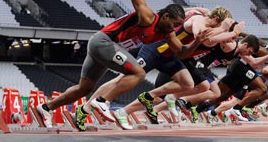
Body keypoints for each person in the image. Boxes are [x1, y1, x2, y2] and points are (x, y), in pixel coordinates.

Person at [36, 0, 188, 130]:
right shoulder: (148, 17)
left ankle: (46, 108)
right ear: (166, 16)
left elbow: (182, 51)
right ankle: (102, 101)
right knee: (138, 73)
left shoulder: (167, 34)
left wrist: (198, 41)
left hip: (104, 48)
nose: (175, 28)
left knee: (84, 88)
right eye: (175, 24)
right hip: (104, 42)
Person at [88, 7, 232, 129]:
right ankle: (87, 107)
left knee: (187, 83)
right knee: (123, 79)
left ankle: (146, 98)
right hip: (155, 50)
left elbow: (187, 11)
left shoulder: (201, 13)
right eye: (218, 27)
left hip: (170, 56)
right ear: (217, 20)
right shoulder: (199, 21)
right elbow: (203, 36)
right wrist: (230, 31)